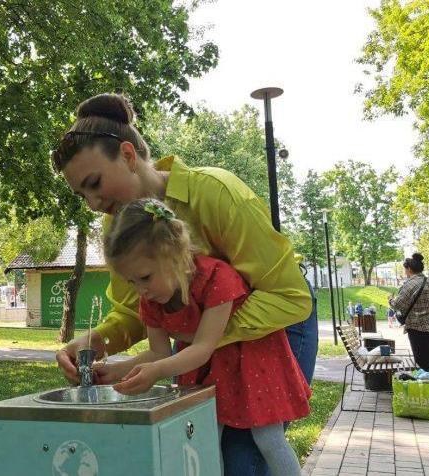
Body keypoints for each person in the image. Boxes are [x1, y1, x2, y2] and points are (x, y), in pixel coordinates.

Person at [52, 93, 318, 475]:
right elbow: (137, 310)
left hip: (274, 325)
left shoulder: (216, 193)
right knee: (201, 446)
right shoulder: (116, 227)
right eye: (82, 195)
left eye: (95, 183)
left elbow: (288, 297)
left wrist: (199, 334)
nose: (93, 203)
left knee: (243, 460)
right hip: (203, 343)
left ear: (127, 155)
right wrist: (96, 343)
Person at [101, 199, 310, 475]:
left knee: (268, 439)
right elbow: (158, 352)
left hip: (252, 362)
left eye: (145, 277)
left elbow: (202, 346)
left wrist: (157, 371)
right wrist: (116, 370)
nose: (141, 290)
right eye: (132, 282)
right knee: (206, 440)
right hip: (206, 368)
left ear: (173, 255)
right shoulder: (151, 300)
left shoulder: (215, 278)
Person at [389, 253, 429, 399]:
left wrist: (390, 300)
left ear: (409, 269)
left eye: (405, 269)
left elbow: (398, 305)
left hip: (418, 326)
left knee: (423, 359)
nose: (405, 272)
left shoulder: (409, 284)